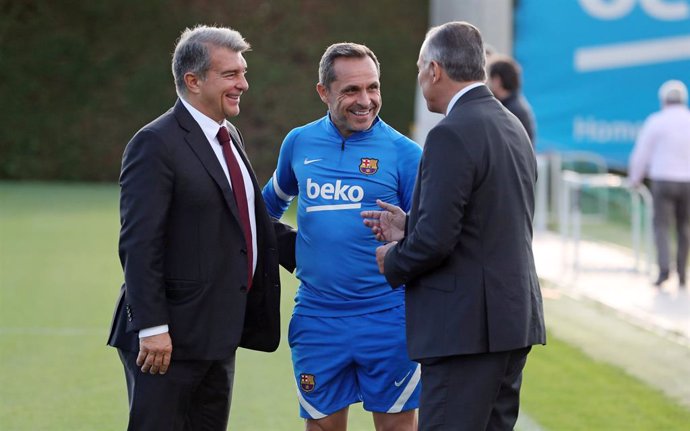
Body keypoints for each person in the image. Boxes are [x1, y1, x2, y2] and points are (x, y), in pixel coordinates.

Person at [107, 25, 296, 430]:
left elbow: (250, 222)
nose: (243, 84)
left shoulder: (230, 136)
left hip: (218, 334)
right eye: (231, 75)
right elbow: (140, 244)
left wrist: (331, 249)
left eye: (243, 73)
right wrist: (153, 328)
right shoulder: (154, 143)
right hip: (167, 341)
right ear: (192, 81)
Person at [362, 21, 546, 430]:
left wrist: (393, 258)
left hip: (466, 332)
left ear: (435, 70)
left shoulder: (452, 133)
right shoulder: (511, 124)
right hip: (511, 322)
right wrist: (411, 225)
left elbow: (437, 242)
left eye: (418, 68)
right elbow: (485, 221)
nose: (420, 79)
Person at [262, 42, 422, 431]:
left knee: (397, 428)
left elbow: (432, 238)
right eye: (351, 90)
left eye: (373, 87)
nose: (365, 100)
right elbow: (264, 210)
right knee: (321, 428)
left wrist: (408, 231)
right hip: (317, 319)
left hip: (388, 318)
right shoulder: (298, 143)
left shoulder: (406, 154)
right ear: (323, 92)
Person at [629, 79, 690, 289]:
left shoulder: (657, 121)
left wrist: (635, 179)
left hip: (663, 179)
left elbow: (642, 154)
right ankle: (682, 272)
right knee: (684, 228)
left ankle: (664, 270)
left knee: (662, 226)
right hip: (687, 181)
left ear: (664, 100)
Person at [487, 54, 537, 145]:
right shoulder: (516, 105)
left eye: (491, 79)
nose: (488, 85)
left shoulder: (509, 110)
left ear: (497, 80)